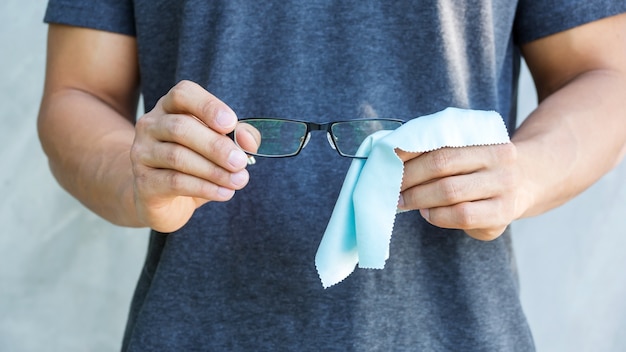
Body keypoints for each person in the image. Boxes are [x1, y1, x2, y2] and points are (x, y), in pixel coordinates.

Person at [38, 1, 626, 350]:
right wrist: (134, 175)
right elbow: (78, 92)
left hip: (457, 332)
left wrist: (524, 173)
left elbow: (603, 74)